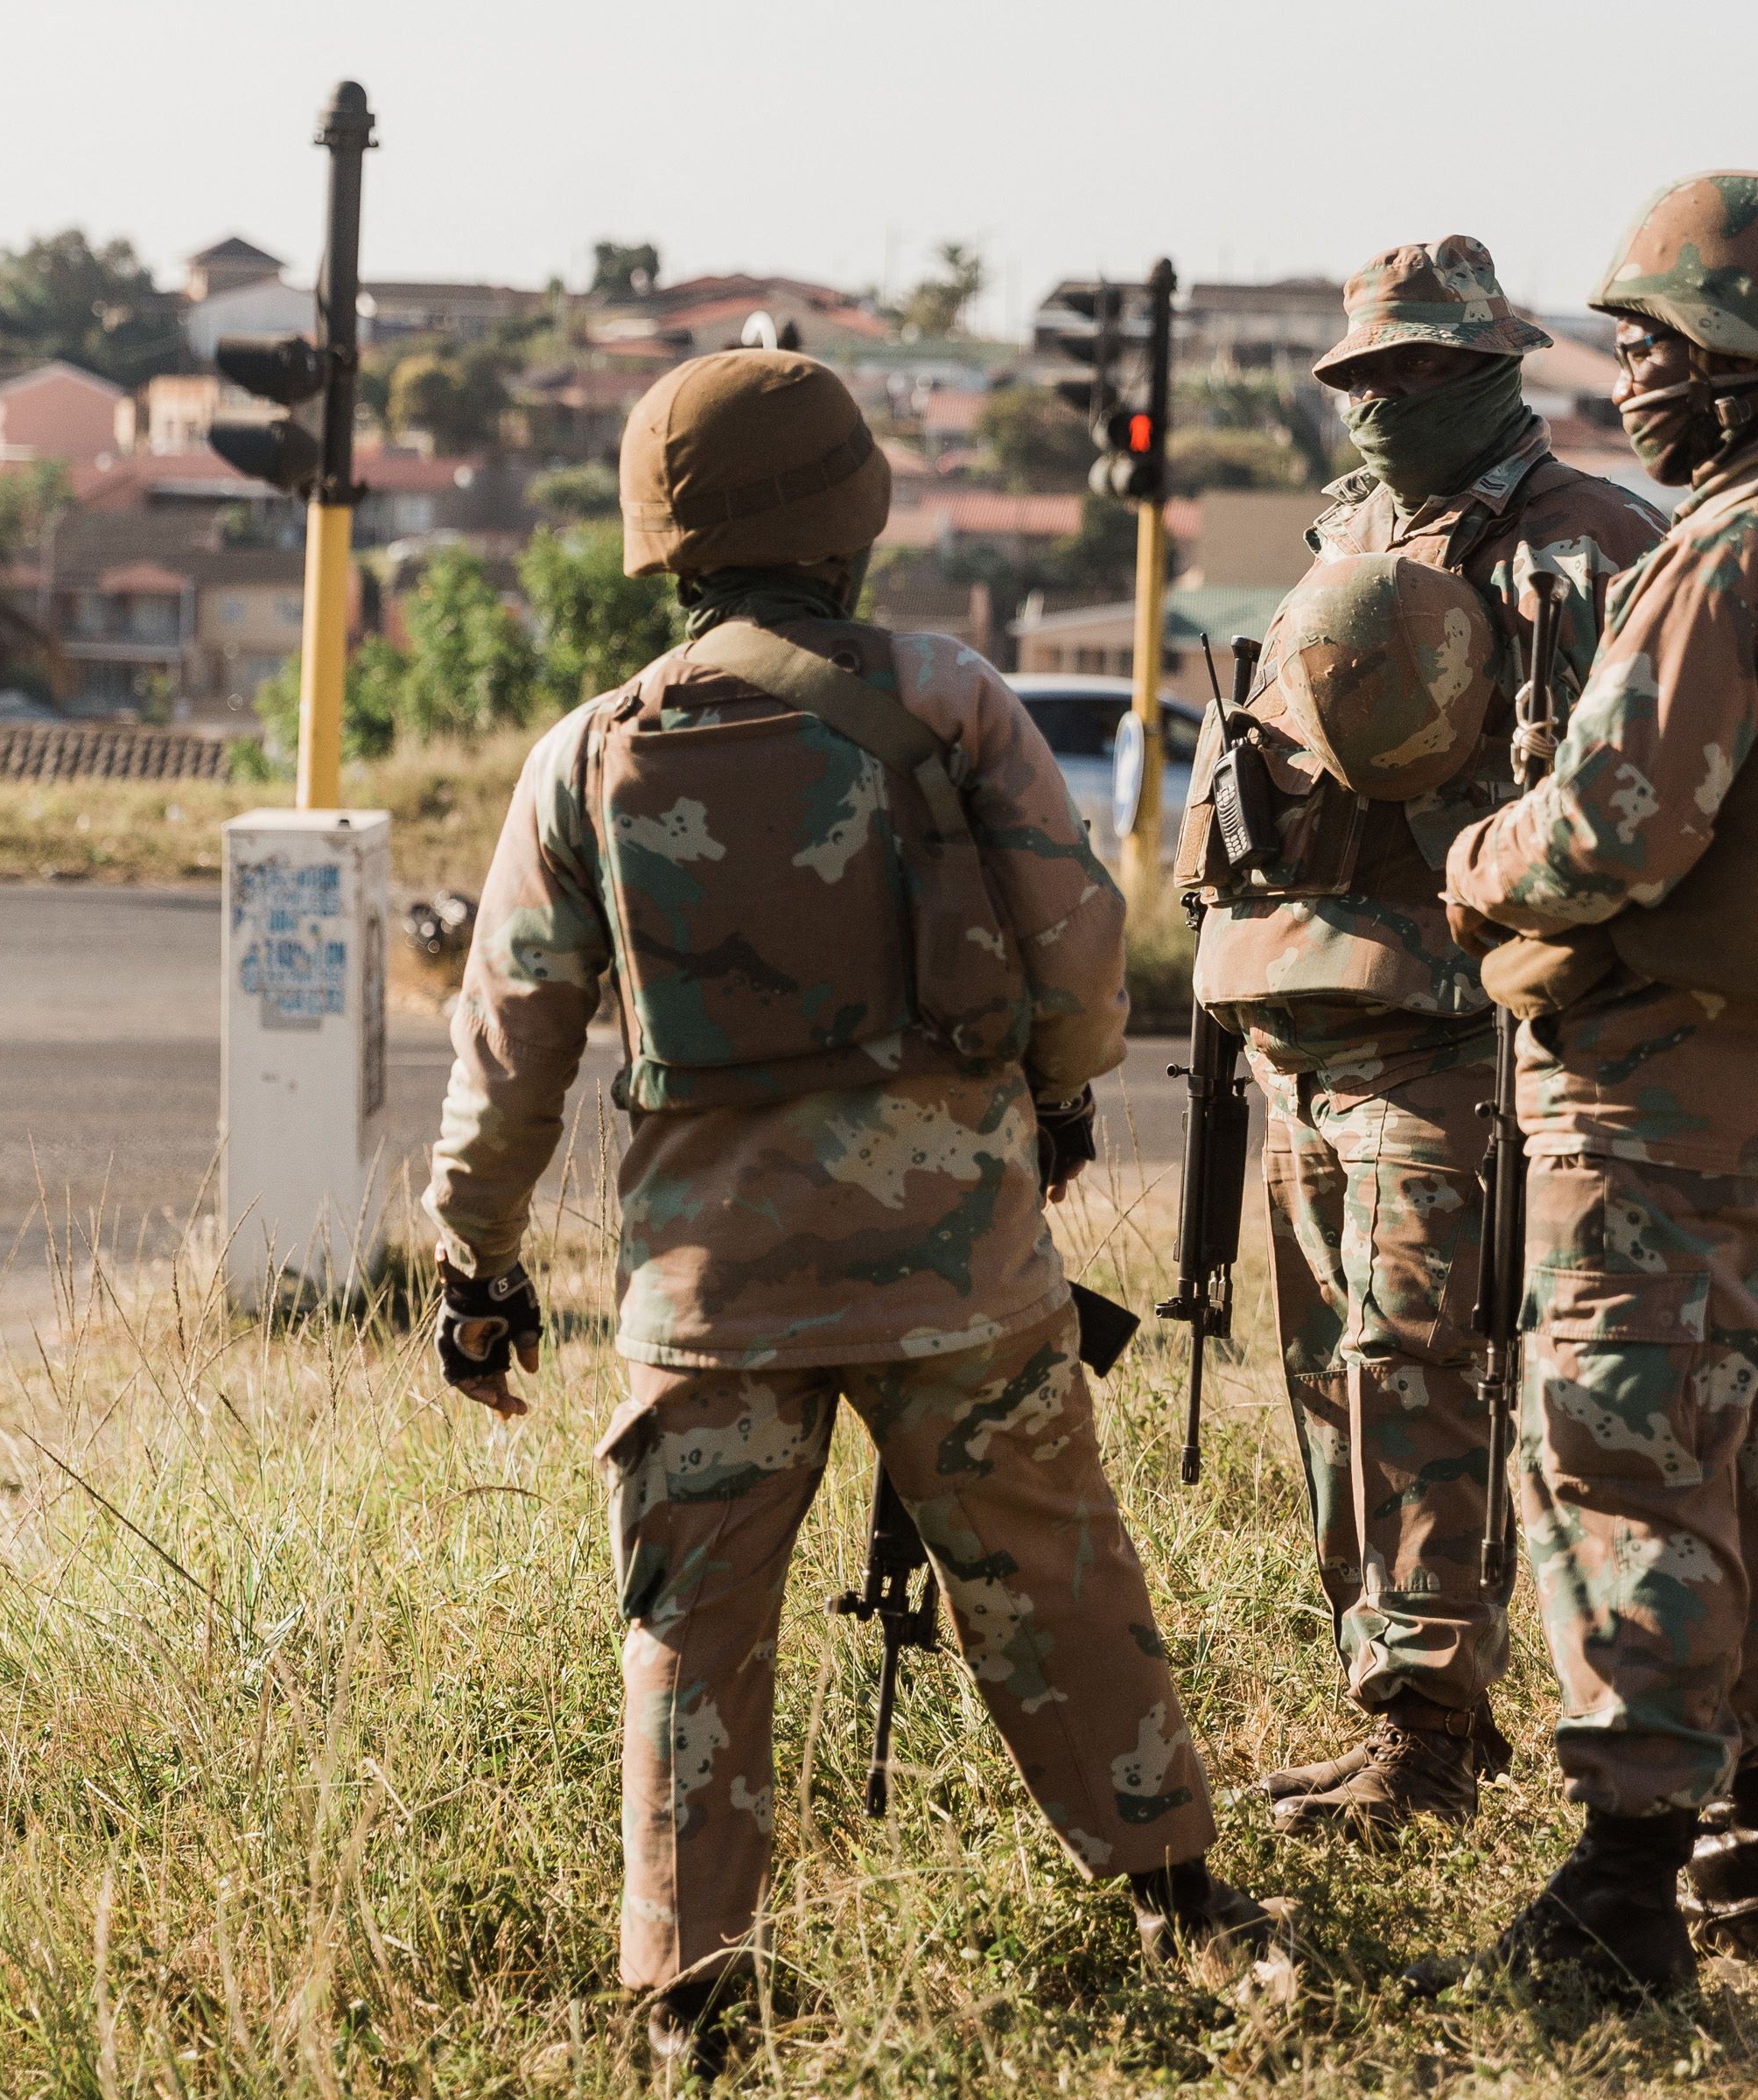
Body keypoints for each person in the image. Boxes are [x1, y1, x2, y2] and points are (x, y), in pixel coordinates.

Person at [426, 347, 1283, 2071]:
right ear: (854, 520)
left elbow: (509, 1048)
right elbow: (1082, 963)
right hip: (958, 1270)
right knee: (1055, 1581)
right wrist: (1037, 1096)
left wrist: (479, 1264)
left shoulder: (588, 753)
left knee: (691, 1636)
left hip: (706, 1290)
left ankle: (692, 1999)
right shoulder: (953, 701)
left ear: (661, 544)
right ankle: (1189, 1908)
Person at [1439, 171, 1758, 1997]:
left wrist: (1479, 860)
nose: (1626, 382)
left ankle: (1624, 1888)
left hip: (1665, 1089)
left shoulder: (1741, 546)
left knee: (1623, 1457)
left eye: (1653, 344)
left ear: (1742, 356)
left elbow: (1617, 827)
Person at [1182, 235, 1664, 1838]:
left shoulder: (1594, 549)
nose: (1379, 402)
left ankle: (1431, 1738)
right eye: (1361, 377)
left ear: (1491, 370)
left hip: (1453, 1035)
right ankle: (1399, 1700)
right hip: (1299, 1021)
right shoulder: (1347, 536)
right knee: (1331, 1378)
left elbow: (1626, 819)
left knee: (1417, 1371)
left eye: (1412, 373)